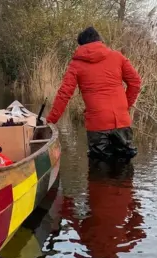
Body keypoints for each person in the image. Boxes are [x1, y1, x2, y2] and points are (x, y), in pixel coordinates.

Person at [46, 26, 141, 161]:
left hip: (98, 124)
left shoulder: (76, 64)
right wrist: (125, 106)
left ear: (82, 45)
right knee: (124, 169)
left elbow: (64, 94)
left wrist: (51, 120)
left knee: (99, 170)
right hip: (121, 121)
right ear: (99, 40)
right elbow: (136, 82)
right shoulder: (117, 57)